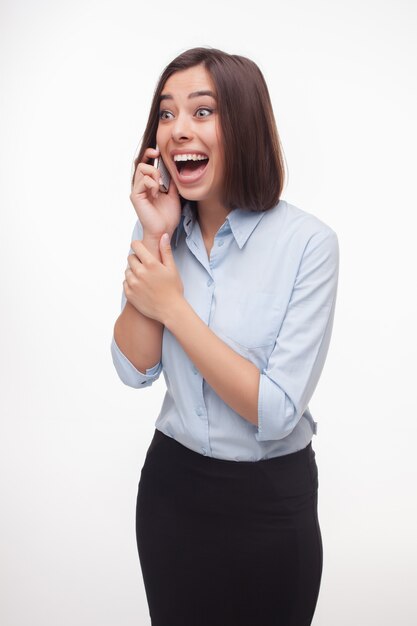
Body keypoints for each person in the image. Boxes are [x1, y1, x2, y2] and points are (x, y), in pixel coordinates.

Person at [110, 47, 339, 626]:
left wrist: (173, 306)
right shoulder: (157, 228)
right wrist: (157, 236)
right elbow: (133, 367)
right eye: (166, 114)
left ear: (244, 123)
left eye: (201, 111)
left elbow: (275, 410)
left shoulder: (309, 245)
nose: (178, 130)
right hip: (173, 491)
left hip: (271, 504)